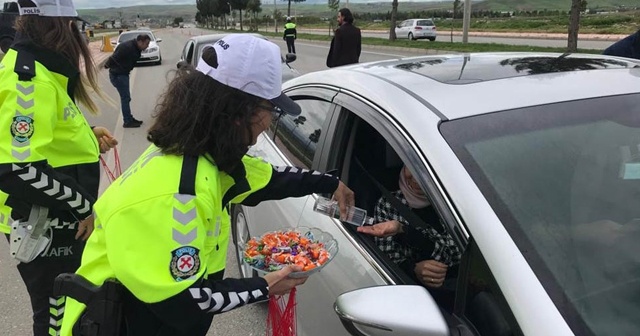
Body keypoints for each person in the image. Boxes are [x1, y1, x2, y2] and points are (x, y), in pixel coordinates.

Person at [60, 34, 355, 336]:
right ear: (241, 112)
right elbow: (187, 302)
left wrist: (329, 183)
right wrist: (265, 285)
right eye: (272, 110)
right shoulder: (177, 194)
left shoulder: (197, 152)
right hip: (116, 323)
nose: (270, 122)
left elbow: (267, 178)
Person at [0, 0, 117, 335]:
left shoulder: (41, 68)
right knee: (57, 316)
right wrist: (83, 207)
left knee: (69, 310)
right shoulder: (30, 78)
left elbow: (42, 137)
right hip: (47, 226)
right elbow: (17, 167)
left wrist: (89, 137)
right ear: (64, 27)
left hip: (56, 222)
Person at [357, 165, 462, 310]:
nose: (414, 179)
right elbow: (388, 261)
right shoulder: (388, 204)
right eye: (410, 168)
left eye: (423, 173)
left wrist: (405, 231)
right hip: (413, 294)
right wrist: (414, 269)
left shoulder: (451, 202)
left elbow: (456, 254)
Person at [104, 34, 150, 128]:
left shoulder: (136, 48)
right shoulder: (127, 47)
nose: (147, 46)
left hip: (123, 74)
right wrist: (107, 66)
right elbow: (113, 58)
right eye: (146, 44)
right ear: (140, 42)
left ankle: (129, 117)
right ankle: (127, 121)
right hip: (118, 75)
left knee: (126, 98)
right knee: (125, 98)